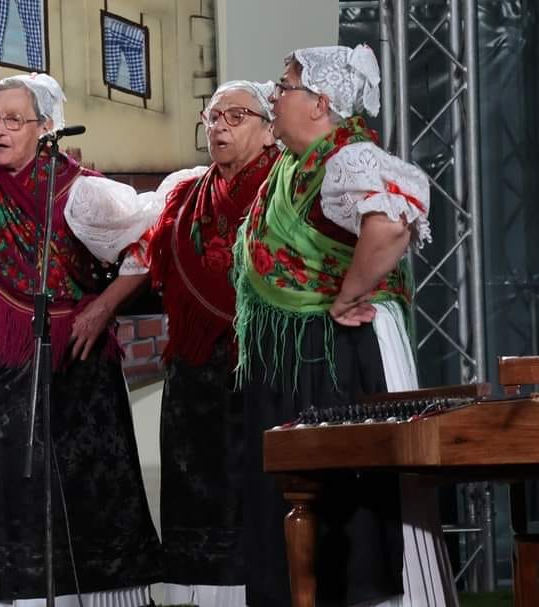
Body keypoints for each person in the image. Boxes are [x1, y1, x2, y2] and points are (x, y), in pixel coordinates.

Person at [0, 73, 162, 606]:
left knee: (69, 500)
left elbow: (147, 244)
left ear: (46, 127)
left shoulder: (83, 191)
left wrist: (102, 309)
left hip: (68, 373)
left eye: (14, 119)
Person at [232, 45, 454, 606]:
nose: (273, 96)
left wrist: (349, 293)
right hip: (295, 357)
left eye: (283, 87)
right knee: (290, 501)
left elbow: (392, 224)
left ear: (319, 103)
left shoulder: (347, 159)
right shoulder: (292, 164)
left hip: (341, 353)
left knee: (350, 505)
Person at [145, 79, 279, 607]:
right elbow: (146, 263)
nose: (218, 127)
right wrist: (104, 306)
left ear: (269, 129)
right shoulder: (184, 194)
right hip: (194, 372)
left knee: (253, 495)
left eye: (235, 116)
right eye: (212, 116)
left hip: (262, 369)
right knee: (193, 492)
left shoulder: (283, 186)